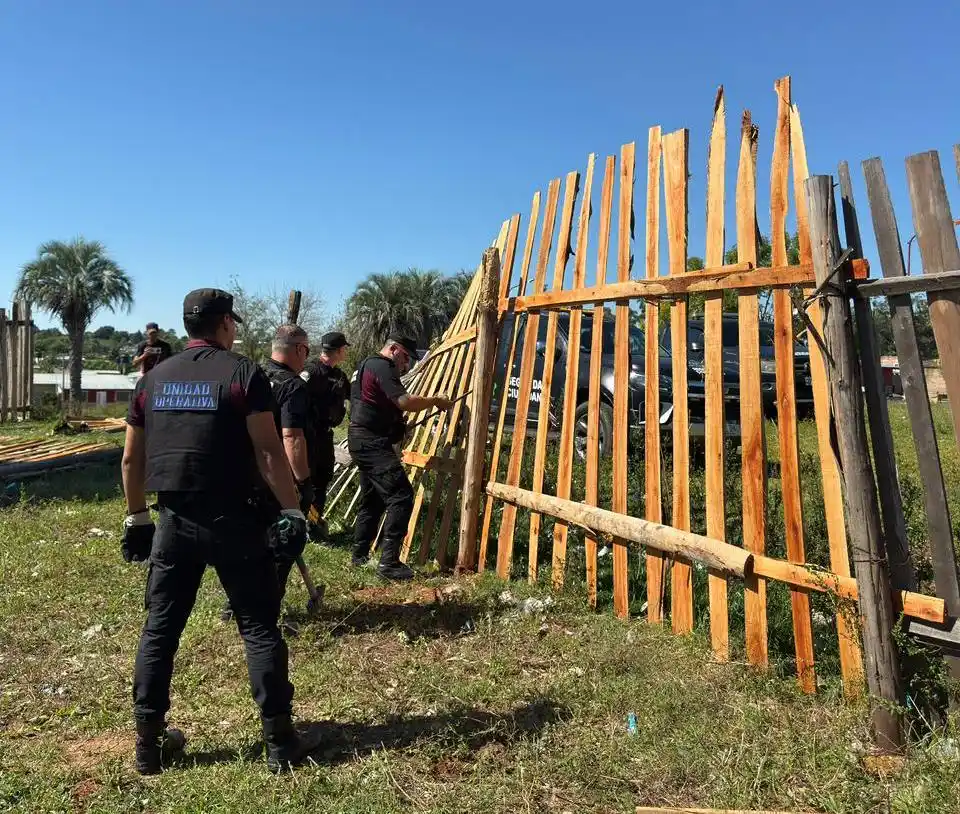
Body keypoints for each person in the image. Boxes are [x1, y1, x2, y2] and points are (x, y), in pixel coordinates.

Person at [120, 288, 316, 775]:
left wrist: (136, 517)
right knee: (258, 628)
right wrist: (292, 513)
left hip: (174, 522)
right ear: (225, 324)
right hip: (236, 521)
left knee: (161, 629)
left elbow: (131, 458)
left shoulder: (152, 380)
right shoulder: (242, 373)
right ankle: (279, 741)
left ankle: (148, 745)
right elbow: (270, 452)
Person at [221, 324, 315, 626]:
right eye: (307, 351)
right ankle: (265, 610)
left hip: (237, 473)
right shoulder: (293, 386)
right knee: (283, 543)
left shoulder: (249, 374)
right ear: (299, 349)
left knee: (245, 541)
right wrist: (302, 482)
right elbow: (292, 436)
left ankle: (233, 604)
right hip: (273, 476)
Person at [348, 335, 451, 580]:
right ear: (393, 349)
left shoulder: (366, 365)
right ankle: (389, 563)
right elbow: (404, 401)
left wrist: (394, 425)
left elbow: (374, 405)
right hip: (371, 442)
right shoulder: (382, 366)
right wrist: (435, 400)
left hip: (363, 438)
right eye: (405, 357)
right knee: (401, 496)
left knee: (372, 500)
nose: (405, 365)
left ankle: (359, 556)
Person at [300, 331, 350, 530]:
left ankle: (314, 521)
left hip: (326, 435)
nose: (345, 352)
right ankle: (299, 521)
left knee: (323, 478)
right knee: (306, 479)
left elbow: (352, 395)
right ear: (338, 350)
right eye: (344, 348)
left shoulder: (339, 375)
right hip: (308, 435)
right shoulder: (311, 371)